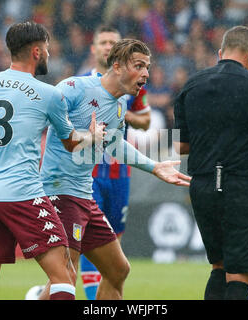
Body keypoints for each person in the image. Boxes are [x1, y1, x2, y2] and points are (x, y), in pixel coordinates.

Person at [0, 21, 106, 300]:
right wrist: (91, 137)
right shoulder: (49, 94)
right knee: (64, 274)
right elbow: (70, 143)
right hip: (22, 193)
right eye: (47, 48)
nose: (49, 54)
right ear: (36, 51)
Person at [37, 38, 191, 300]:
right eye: (139, 66)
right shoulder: (74, 88)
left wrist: (154, 167)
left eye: (148, 67)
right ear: (117, 66)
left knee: (118, 270)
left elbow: (115, 145)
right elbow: (39, 120)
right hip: (59, 192)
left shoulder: (120, 105)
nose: (146, 74)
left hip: (84, 195)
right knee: (66, 275)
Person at [174, 26, 248, 300]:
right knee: (240, 274)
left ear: (221, 53)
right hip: (238, 186)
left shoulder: (191, 84)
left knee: (219, 266)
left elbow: (182, 145)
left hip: (202, 186)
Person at [79, 25, 151, 300]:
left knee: (114, 240)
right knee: (90, 237)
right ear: (94, 49)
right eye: (103, 42)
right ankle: (91, 299)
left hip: (120, 171)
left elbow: (146, 122)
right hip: (91, 171)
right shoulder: (82, 84)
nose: (108, 47)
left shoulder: (134, 86)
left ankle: (104, 296)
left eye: (113, 42)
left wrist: (123, 116)